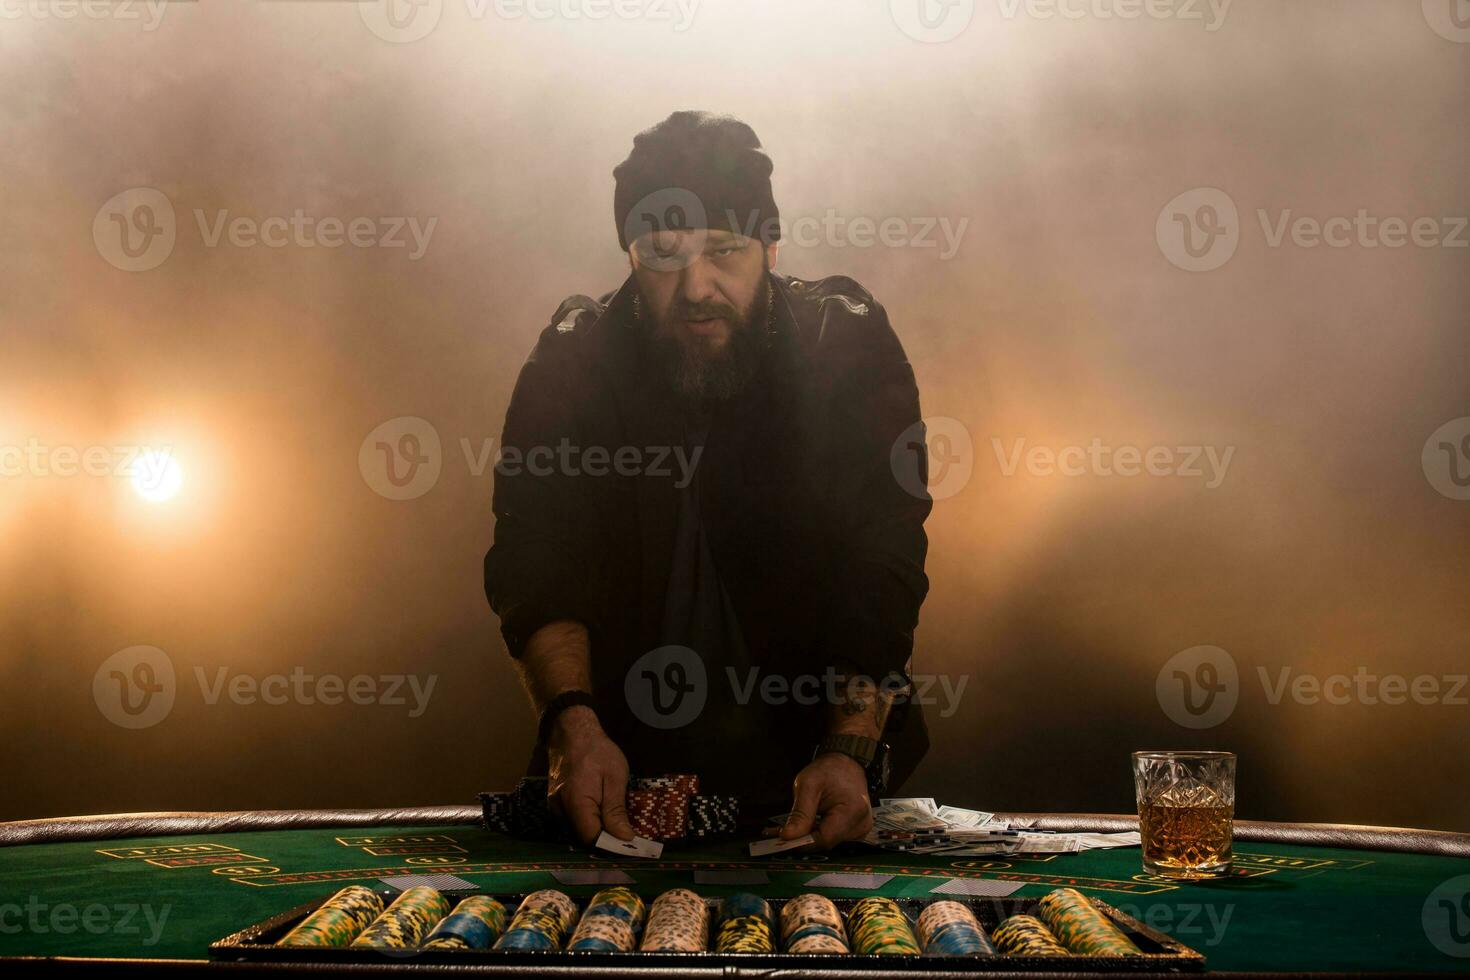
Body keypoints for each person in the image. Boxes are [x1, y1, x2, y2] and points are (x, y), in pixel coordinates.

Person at [484, 110, 932, 851]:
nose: (697, 286)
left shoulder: (842, 343)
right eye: (664, 254)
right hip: (616, 768)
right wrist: (574, 727)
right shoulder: (573, 360)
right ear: (629, 257)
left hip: (817, 763)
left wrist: (849, 750)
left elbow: (881, 556)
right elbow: (537, 559)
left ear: (770, 246)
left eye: (725, 249)